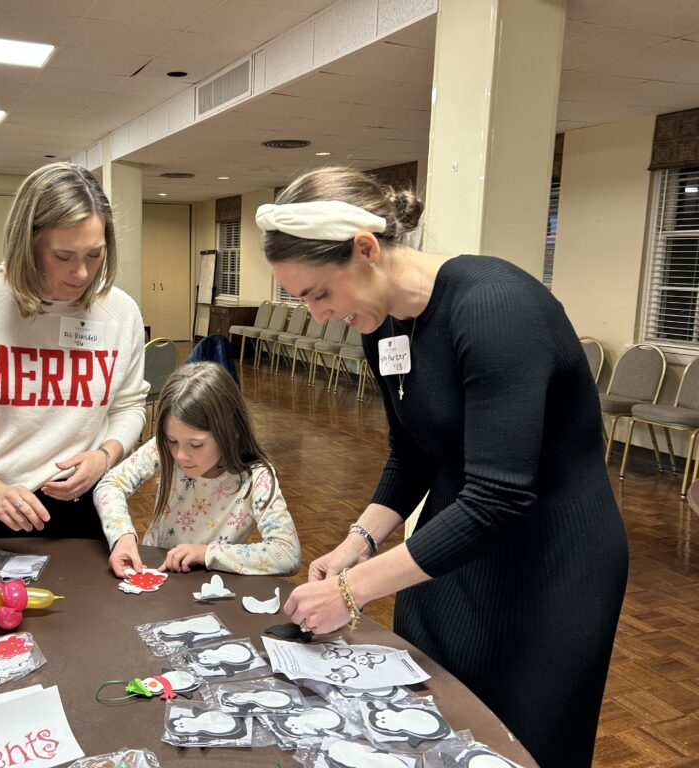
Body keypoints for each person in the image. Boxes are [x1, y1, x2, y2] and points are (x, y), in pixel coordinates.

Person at [260, 166, 628, 768]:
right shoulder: (381, 325)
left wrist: (352, 593)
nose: (318, 316)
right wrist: (358, 542)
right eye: (302, 300)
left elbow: (497, 497)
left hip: (550, 567)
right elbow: (413, 454)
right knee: (428, 726)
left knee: (521, 746)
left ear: (367, 249)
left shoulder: (494, 307)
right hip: (452, 553)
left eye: (319, 293)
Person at [0, 162, 148, 542]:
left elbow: (129, 407)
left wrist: (105, 456)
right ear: (27, 243)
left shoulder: (120, 312)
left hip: (81, 508)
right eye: (63, 257)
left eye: (95, 255)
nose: (82, 274)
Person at [93, 361, 301, 576]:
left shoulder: (257, 478)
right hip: (156, 573)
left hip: (211, 587)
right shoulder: (162, 448)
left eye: (196, 444)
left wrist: (207, 553)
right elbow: (110, 485)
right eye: (171, 440)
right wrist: (123, 536)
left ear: (233, 431)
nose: (180, 455)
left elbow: (287, 554)